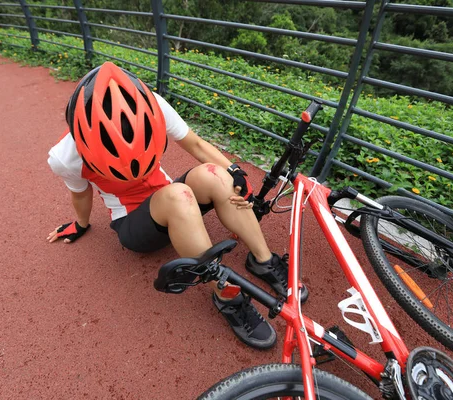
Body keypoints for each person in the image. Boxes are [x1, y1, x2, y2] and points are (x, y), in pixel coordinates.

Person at [47, 62, 307, 350]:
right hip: (135, 224)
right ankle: (227, 297)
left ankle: (263, 260)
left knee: (214, 174)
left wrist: (234, 171)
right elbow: (81, 194)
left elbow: (195, 144)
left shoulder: (152, 104)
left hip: (174, 196)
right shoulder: (64, 156)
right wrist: (81, 224)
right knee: (178, 194)